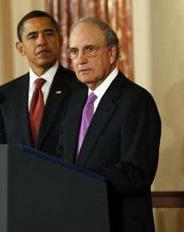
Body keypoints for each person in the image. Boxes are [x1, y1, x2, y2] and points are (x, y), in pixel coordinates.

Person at [58, 17, 161, 232]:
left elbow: (136, 173)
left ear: (112, 53)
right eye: (74, 52)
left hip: (119, 222)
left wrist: (78, 179)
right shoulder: (73, 102)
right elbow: (62, 159)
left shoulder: (136, 101)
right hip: (77, 221)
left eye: (90, 50)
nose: (80, 60)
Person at [0, 10, 83, 155]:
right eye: (32, 36)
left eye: (48, 34)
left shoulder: (79, 87)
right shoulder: (5, 95)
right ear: (20, 48)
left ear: (60, 40)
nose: (41, 41)